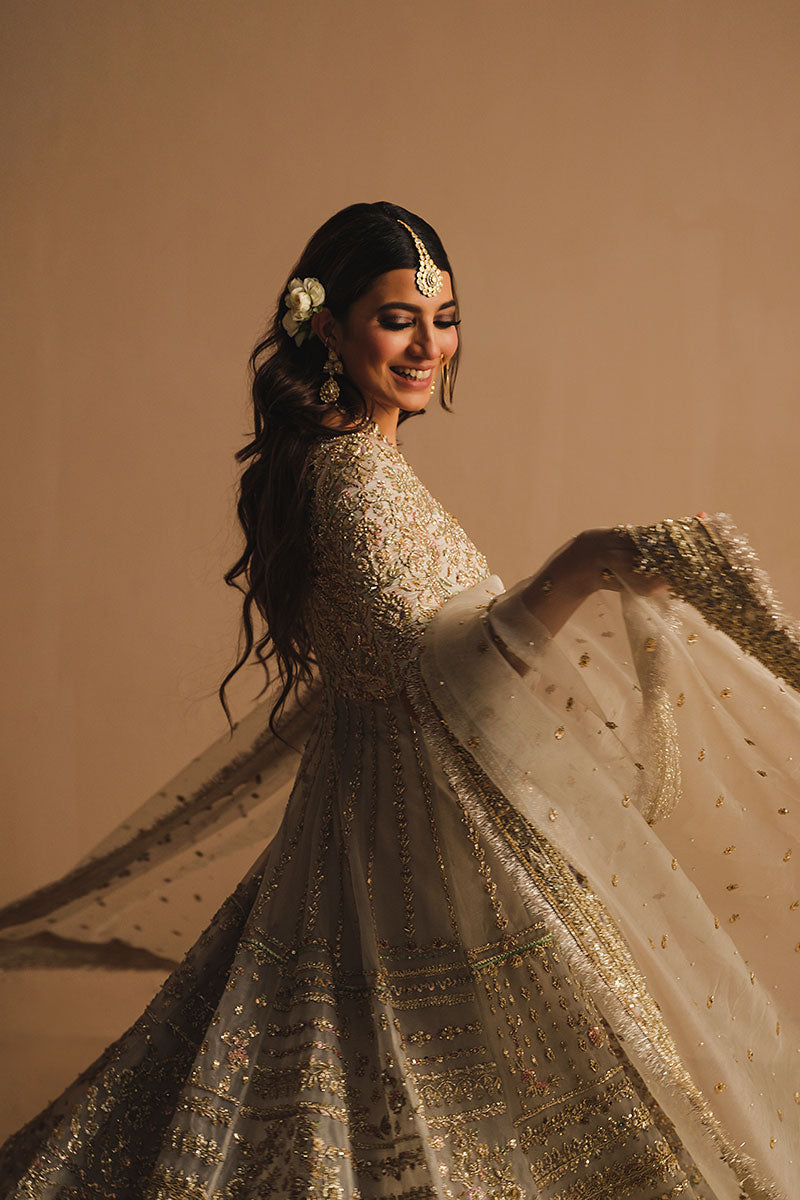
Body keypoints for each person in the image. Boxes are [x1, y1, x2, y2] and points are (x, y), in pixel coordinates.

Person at [0, 201, 796, 1199]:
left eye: (445, 317)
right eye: (397, 319)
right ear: (325, 328)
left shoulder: (364, 465)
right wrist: (585, 562)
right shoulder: (350, 481)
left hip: (404, 848)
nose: (429, 345)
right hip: (402, 869)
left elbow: (413, 669)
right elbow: (439, 670)